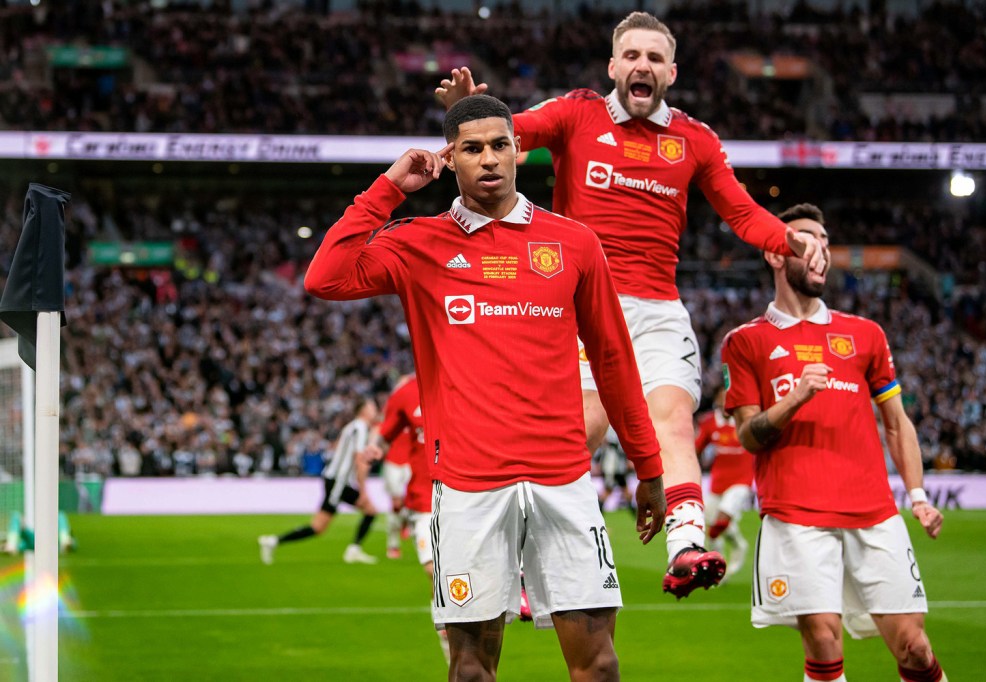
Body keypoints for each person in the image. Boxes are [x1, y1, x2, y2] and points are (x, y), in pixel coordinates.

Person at [435, 11, 825, 598]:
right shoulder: (577, 113)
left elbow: (741, 212)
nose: (643, 65)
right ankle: (519, 559)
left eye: (655, 58)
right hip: (581, 306)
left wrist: (789, 240)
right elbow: (511, 137)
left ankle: (688, 546)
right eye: (633, 56)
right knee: (581, 429)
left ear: (671, 71)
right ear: (614, 66)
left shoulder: (695, 139)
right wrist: (475, 111)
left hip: (658, 309)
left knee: (669, 417)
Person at [304, 94, 666, 681]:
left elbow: (614, 361)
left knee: (598, 665)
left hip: (564, 479)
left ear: (519, 149)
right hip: (470, 485)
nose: (490, 158)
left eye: (501, 144)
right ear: (452, 158)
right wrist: (389, 188)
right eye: (472, 148)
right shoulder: (417, 242)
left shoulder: (574, 242)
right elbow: (325, 278)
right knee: (471, 667)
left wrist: (649, 467)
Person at [720, 203, 948, 682]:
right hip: (795, 515)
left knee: (915, 647)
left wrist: (920, 496)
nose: (821, 248)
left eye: (825, 240)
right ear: (776, 254)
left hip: (874, 512)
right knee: (823, 640)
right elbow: (748, 435)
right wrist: (796, 398)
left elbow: (896, 422)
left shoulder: (865, 334)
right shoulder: (746, 342)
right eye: (806, 239)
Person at [374, 374, 452, 662]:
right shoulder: (405, 394)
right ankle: (443, 619)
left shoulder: (463, 376)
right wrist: (375, 449)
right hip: (423, 500)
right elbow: (386, 434)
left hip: (463, 494)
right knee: (433, 569)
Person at [258, 397, 383, 566]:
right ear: (363, 410)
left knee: (320, 527)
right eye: (372, 407)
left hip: (336, 480)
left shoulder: (353, 427)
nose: (375, 410)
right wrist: (363, 491)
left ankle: (273, 541)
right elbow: (359, 460)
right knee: (365, 511)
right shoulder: (360, 428)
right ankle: (353, 550)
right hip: (338, 483)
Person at [694, 385, 754, 582]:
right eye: (722, 398)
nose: (725, 402)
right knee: (710, 527)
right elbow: (696, 449)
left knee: (719, 523)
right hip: (717, 482)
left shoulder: (747, 419)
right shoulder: (710, 423)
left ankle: (725, 560)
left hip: (742, 481)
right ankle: (721, 563)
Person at [379, 374, 416, 560]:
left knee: (411, 502)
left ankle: (406, 525)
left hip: (411, 461)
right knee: (395, 503)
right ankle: (393, 544)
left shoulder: (416, 408)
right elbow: (383, 431)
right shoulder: (392, 408)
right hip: (393, 461)